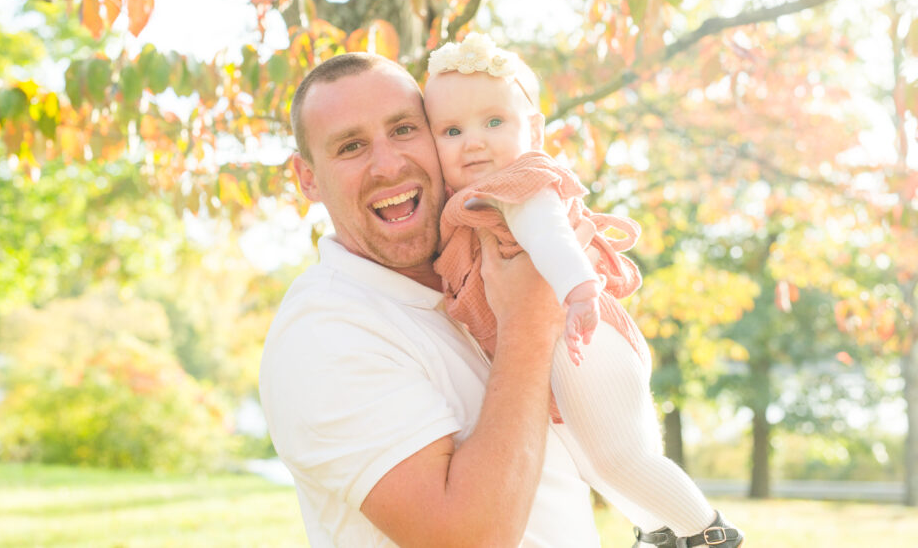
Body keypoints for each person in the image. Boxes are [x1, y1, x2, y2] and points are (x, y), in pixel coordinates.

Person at [259, 52, 603, 546]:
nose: (389, 164)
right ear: (308, 178)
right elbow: (465, 538)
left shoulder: (476, 282)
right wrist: (529, 321)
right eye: (351, 146)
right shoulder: (323, 333)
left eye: (403, 130)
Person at [423, 32, 745, 548]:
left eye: (494, 122)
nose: (475, 141)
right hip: (561, 340)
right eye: (452, 130)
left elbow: (549, 235)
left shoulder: (519, 184)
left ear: (534, 130)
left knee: (619, 456)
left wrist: (578, 291)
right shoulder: (468, 202)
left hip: (581, 333)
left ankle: (709, 534)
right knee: (593, 460)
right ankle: (659, 532)